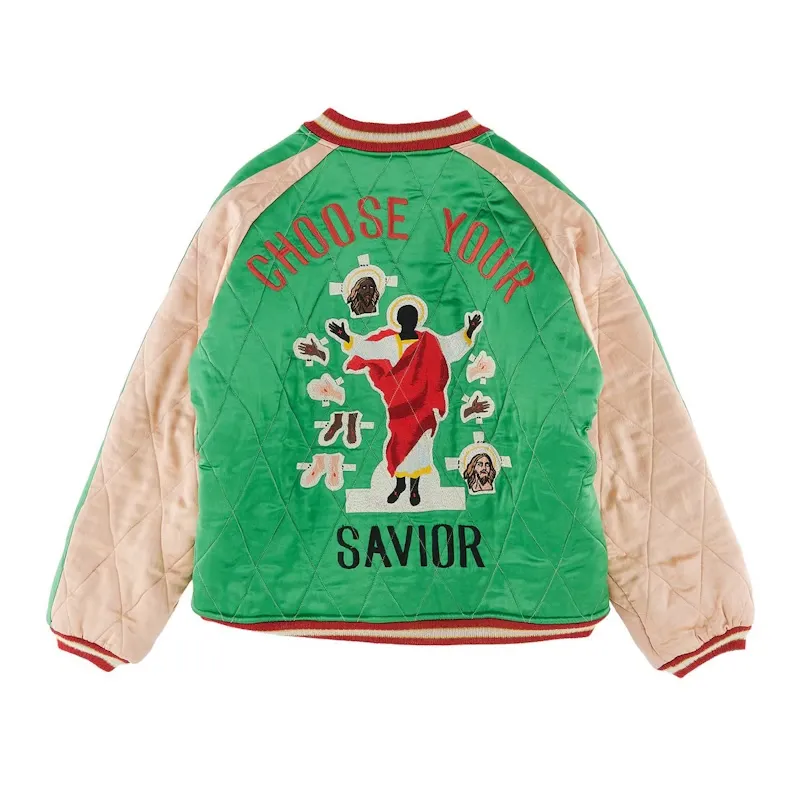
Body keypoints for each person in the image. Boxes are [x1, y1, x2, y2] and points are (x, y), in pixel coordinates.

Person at [329, 303, 481, 506]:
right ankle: (399, 486)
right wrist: (346, 337)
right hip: (399, 406)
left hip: (423, 406)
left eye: (412, 318)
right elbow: (368, 349)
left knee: (420, 448)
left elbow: (451, 347)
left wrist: (468, 331)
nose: (409, 321)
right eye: (405, 318)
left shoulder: (429, 341)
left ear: (417, 320)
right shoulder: (389, 343)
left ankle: (414, 489)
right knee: (397, 447)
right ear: (399, 321)